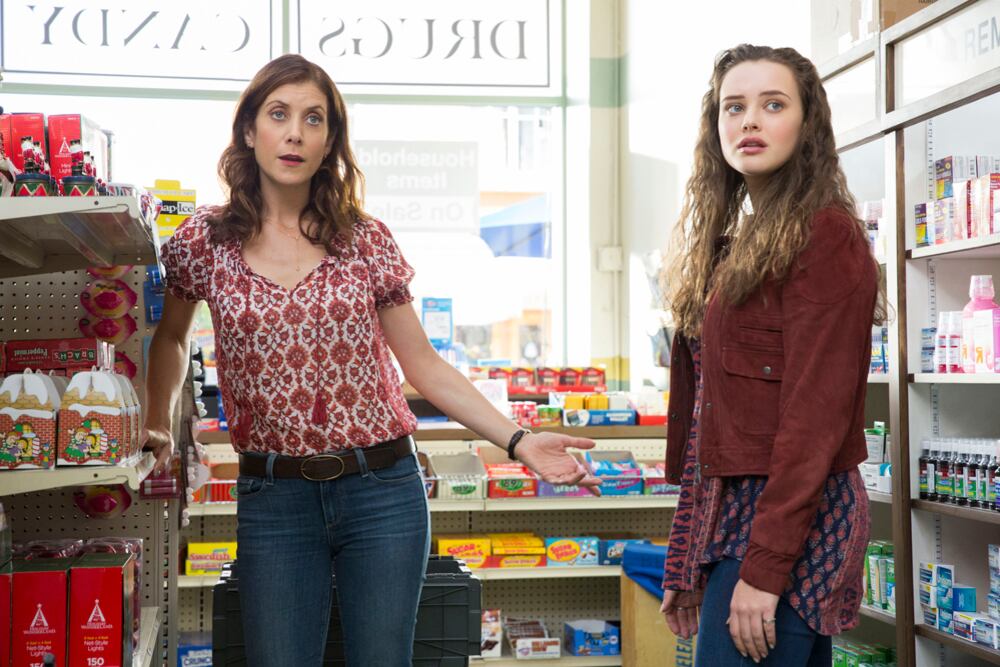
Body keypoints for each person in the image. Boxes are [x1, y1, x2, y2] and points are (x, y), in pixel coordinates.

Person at [140, 53, 601, 667]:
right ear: (249, 130)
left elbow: (424, 366)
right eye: (278, 114)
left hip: (381, 491)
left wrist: (518, 441)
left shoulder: (363, 240)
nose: (295, 133)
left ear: (330, 141)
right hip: (274, 497)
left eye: (314, 119)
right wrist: (156, 419)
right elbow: (171, 338)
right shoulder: (205, 241)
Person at [659, 44, 884, 666]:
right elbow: (708, 422)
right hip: (736, 521)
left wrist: (763, 571)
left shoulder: (825, 236)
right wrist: (686, 555)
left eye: (773, 105)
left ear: (807, 124)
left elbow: (814, 423)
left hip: (791, 524)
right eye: (734, 107)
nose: (750, 121)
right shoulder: (736, 244)